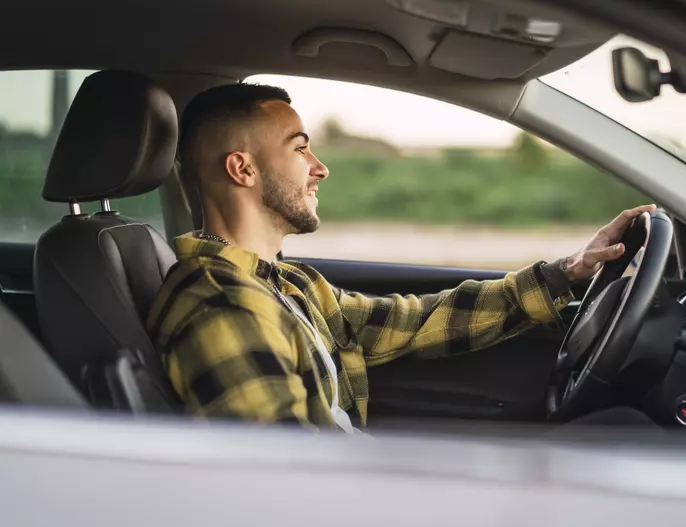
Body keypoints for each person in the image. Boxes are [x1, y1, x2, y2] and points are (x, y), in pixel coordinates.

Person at [146, 83, 656, 433]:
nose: (320, 168)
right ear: (242, 168)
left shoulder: (286, 283)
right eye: (300, 149)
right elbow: (281, 480)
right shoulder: (223, 304)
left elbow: (412, 321)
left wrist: (567, 271)